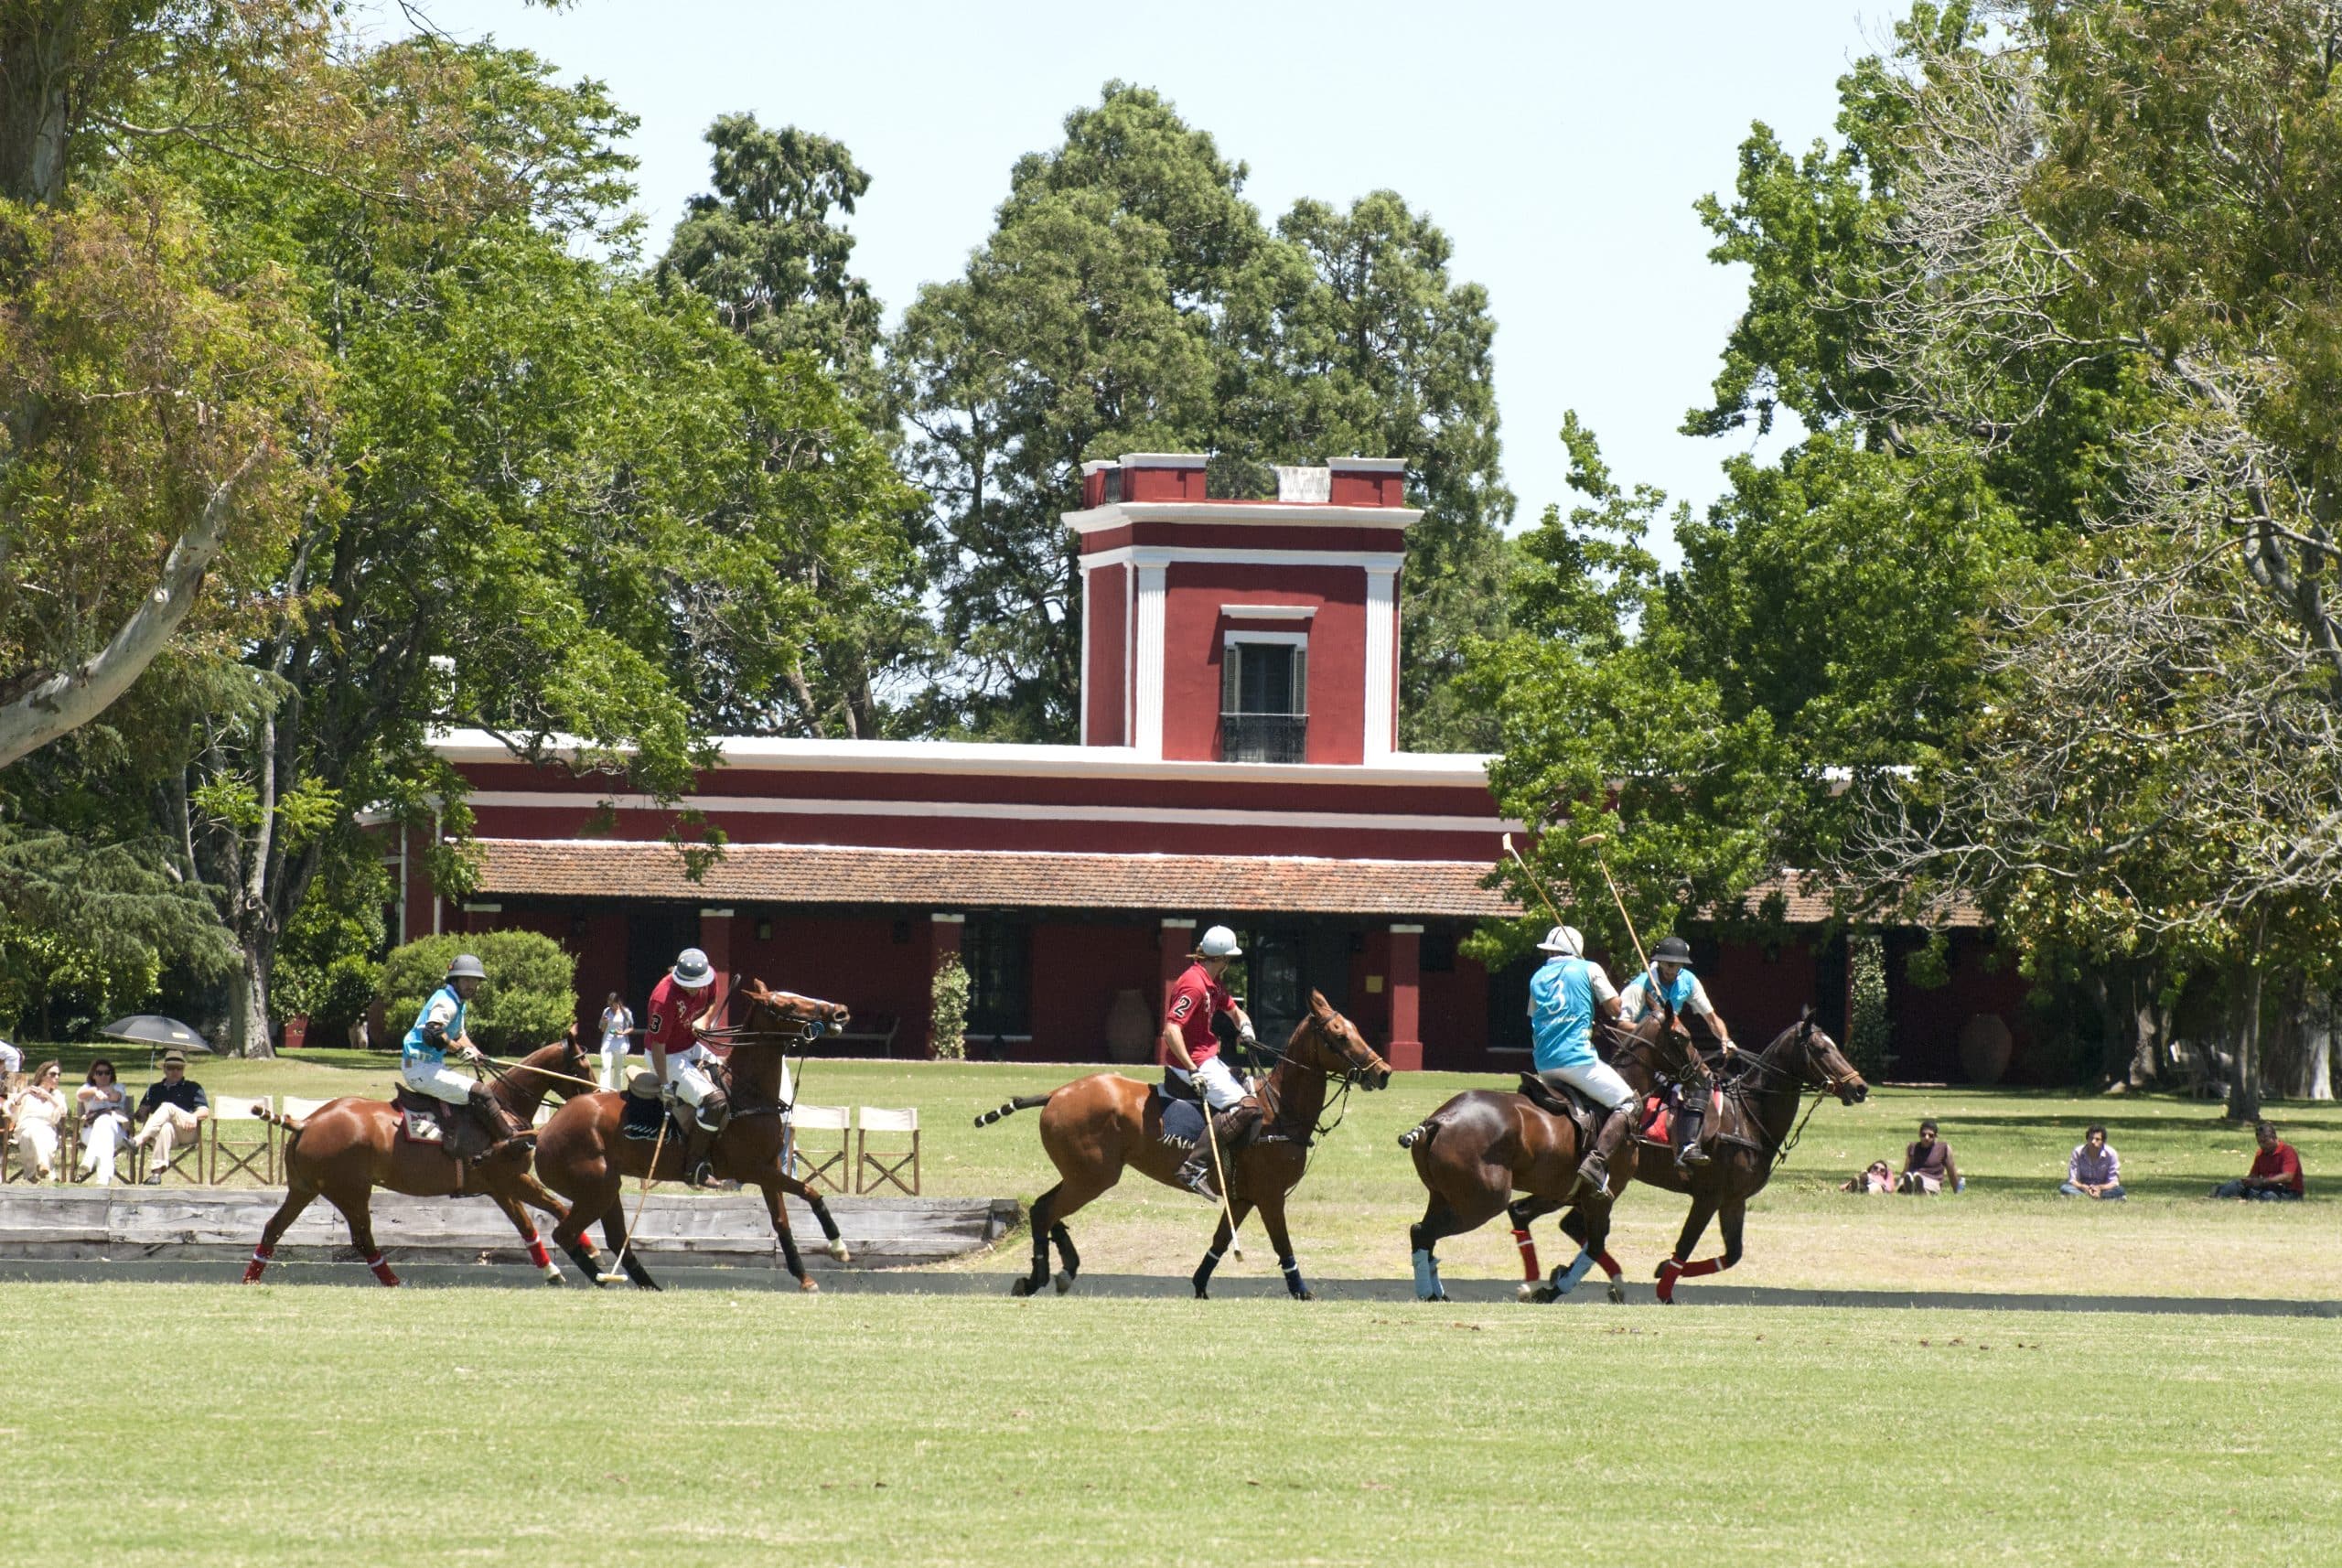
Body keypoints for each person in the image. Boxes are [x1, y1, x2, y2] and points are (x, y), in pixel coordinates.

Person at [1523, 924, 1638, 1200]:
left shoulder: (1537, 977)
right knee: (1629, 1102)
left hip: (1543, 1064)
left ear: (1552, 951)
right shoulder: (1590, 968)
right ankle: (1597, 1162)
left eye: (1549, 951)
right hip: (1577, 1060)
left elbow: (1535, 1017)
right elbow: (1615, 1008)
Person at [1615, 935, 1738, 1169]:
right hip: (1642, 1053)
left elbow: (1711, 1018)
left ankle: (1688, 1145)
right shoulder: (1641, 985)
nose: (1673, 969)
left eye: (1678, 965)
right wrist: (1654, 1031)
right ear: (1659, 962)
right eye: (1669, 964)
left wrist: (1725, 1038)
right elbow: (1622, 1025)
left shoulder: (1688, 982)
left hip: (1670, 1052)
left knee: (1702, 1080)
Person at [400, 952, 532, 1155]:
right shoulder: (447, 1002)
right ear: (455, 980)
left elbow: (459, 1034)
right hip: (420, 1068)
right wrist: (460, 1051)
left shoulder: (458, 1003)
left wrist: (477, 1054)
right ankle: (510, 1140)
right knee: (481, 1092)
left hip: (430, 1066)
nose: (472, 985)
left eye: (476, 981)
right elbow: (432, 1033)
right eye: (467, 980)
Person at [1166, 925, 1261, 1203]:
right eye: (1229, 958)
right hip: (1191, 1062)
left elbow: (1233, 1010)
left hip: (1207, 1056)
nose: (1229, 964)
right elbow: (1171, 1031)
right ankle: (1193, 1167)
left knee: (1251, 1087)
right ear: (1221, 959)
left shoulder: (1212, 982)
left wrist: (1245, 1026)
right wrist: (1192, 1069)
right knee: (1245, 1106)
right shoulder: (1193, 985)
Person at [644, 947, 734, 1187]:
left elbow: (713, 999)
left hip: (690, 1045)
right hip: (665, 1056)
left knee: (729, 1080)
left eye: (698, 984)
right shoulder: (662, 999)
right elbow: (659, 1046)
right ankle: (694, 1168)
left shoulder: (708, 975)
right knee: (713, 1101)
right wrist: (664, 1084)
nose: (695, 989)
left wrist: (703, 1020)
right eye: (689, 985)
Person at [132, 1050, 211, 1184]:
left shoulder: (193, 1087)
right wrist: (142, 1112)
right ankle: (156, 1175)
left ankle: (138, 1140)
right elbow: (140, 1117)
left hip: (187, 1130)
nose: (175, 1071)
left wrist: (193, 1117)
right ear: (164, 1069)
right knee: (165, 1127)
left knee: (167, 1107)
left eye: (179, 1068)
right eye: (170, 1068)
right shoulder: (154, 1089)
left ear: (183, 1069)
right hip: (163, 1135)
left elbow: (204, 1111)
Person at [5, 1061, 67, 1182]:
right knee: (31, 1131)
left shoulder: (56, 1095)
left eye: (58, 1075)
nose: (57, 1077)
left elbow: (63, 1112)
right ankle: (45, 1166)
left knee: (29, 1135)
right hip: (26, 1124)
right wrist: (23, 1093)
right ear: (43, 1076)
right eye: (53, 1074)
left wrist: (48, 1097)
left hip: (46, 1128)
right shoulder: (27, 1093)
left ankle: (31, 1174)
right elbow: (11, 1112)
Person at [74, 1059, 133, 1185]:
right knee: (104, 1133)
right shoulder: (87, 1088)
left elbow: (116, 1096)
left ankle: (89, 1160)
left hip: (117, 1131)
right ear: (93, 1075)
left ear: (111, 1074)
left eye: (107, 1072)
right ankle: (104, 1179)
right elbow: (79, 1095)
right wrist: (95, 1091)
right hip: (90, 1132)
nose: (104, 1076)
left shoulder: (118, 1087)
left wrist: (107, 1095)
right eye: (99, 1073)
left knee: (105, 1120)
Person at [2213, 1121, 2304, 1200]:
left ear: (2274, 1137)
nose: (2262, 1145)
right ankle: (2218, 1196)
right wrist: (2249, 1181)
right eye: (2259, 1142)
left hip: (2288, 1192)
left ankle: (2245, 1198)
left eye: (2265, 1141)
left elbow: (2288, 1177)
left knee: (2268, 1196)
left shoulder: (2287, 1151)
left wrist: (2263, 1181)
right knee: (2236, 1184)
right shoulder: (2261, 1153)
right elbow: (2254, 1175)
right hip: (2267, 1187)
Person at [1898, 1118, 1962, 1195]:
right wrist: (1899, 1182)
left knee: (1924, 1186)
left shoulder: (1943, 1148)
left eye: (1930, 1135)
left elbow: (1951, 1172)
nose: (1926, 1137)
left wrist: (1957, 1191)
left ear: (1936, 1136)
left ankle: (1918, 1190)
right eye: (1923, 1134)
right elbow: (1906, 1167)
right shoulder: (1912, 1147)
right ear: (1919, 1134)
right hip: (1912, 1176)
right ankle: (1912, 1188)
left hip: (1932, 1180)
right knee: (1909, 1180)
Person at [2059, 1124, 2124, 1199]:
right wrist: (2082, 1187)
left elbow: (2114, 1182)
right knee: (2064, 1188)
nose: (2093, 1142)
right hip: (2083, 1189)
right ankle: (2100, 1198)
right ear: (2087, 1139)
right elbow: (2073, 1180)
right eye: (2091, 1138)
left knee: (2120, 1190)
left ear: (2103, 1141)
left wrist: (2099, 1188)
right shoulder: (2078, 1152)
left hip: (2103, 1189)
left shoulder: (2111, 1154)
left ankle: (2087, 1197)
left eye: (2097, 1139)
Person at [596, 991, 637, 1092]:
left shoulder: (625, 1012)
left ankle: (616, 1091)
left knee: (618, 1069)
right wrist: (605, 1022)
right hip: (607, 1042)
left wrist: (622, 1033)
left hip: (620, 1043)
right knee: (606, 1066)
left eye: (612, 1004)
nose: (611, 1006)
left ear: (617, 1002)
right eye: (609, 1004)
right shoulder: (606, 1011)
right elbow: (602, 1029)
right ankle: (604, 1090)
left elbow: (632, 1028)